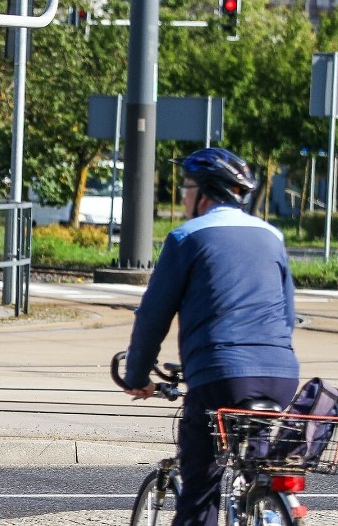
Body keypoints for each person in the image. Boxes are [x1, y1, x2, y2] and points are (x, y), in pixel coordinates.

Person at [122, 147, 299, 526]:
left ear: (204, 192)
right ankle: (266, 502)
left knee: (200, 488)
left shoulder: (186, 237)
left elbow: (153, 316)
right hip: (280, 376)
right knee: (256, 461)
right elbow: (287, 315)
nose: (183, 195)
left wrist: (136, 376)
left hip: (219, 375)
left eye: (186, 187)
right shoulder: (272, 235)